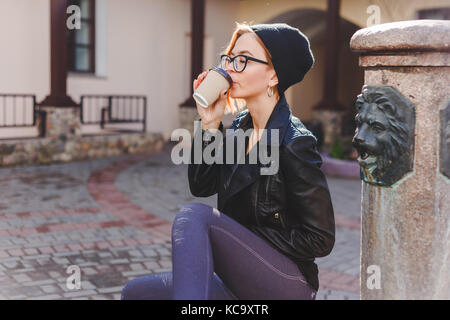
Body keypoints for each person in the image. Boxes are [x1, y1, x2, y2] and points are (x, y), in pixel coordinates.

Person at [121, 22, 335, 300]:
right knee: (136, 293)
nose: (230, 67)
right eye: (230, 58)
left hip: (288, 281)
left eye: (243, 60)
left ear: (273, 76)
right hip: (239, 274)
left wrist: (241, 239)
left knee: (194, 216)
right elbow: (201, 185)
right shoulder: (237, 131)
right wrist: (210, 123)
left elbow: (321, 238)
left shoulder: (295, 142)